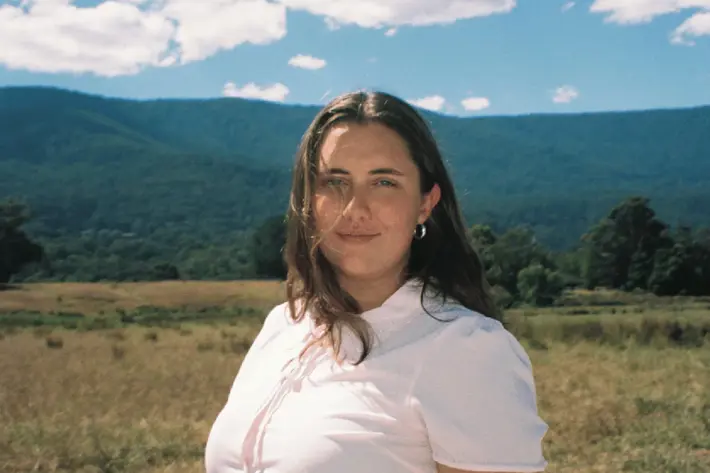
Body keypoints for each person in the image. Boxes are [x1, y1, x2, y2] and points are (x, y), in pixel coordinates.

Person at [204, 90, 549, 473]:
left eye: (384, 182)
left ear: (425, 203)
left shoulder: (465, 349)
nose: (355, 208)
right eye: (335, 182)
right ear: (307, 201)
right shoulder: (285, 324)